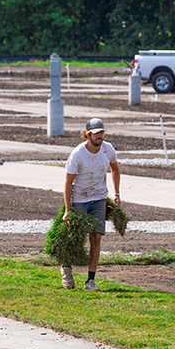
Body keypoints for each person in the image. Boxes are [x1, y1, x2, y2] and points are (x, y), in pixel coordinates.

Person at [62, 118, 121, 291]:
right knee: (75, 239)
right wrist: (67, 210)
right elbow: (68, 182)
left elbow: (115, 169)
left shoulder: (108, 149)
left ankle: (90, 280)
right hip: (80, 199)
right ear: (88, 135)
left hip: (99, 198)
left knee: (96, 237)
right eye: (96, 133)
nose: (99, 136)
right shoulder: (78, 154)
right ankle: (66, 268)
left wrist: (116, 193)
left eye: (102, 132)